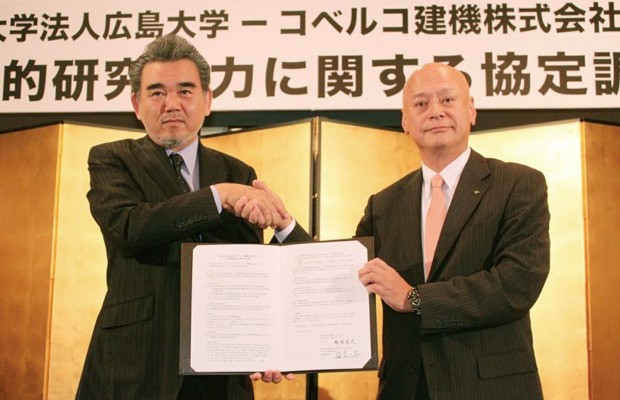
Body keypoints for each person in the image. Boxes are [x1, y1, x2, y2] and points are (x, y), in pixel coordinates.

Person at [76, 34, 307, 400]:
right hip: (135, 363)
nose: (172, 104)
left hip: (222, 370)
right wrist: (218, 196)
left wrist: (267, 341)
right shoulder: (112, 159)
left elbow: (253, 271)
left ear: (207, 100)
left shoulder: (238, 171)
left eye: (185, 91)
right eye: (157, 92)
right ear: (136, 104)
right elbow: (130, 228)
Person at [357, 63, 550, 400]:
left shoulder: (518, 184)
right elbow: (341, 274)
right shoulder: (383, 204)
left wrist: (415, 299)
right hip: (406, 389)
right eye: (420, 104)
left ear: (471, 110)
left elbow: (517, 284)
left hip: (492, 389)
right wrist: (285, 225)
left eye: (447, 99)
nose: (435, 112)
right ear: (405, 121)